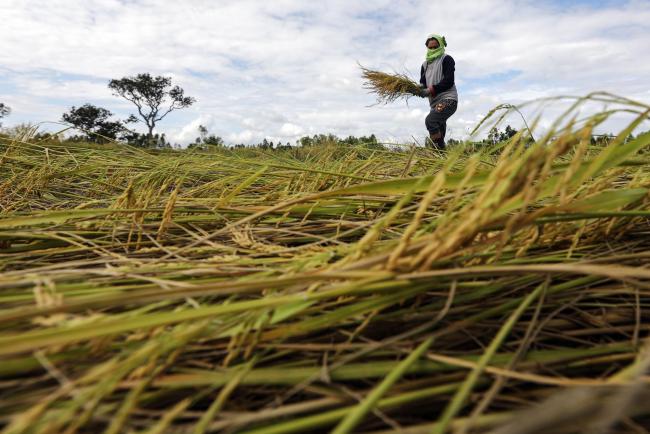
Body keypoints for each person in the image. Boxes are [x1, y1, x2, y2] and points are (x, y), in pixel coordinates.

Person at [419, 33, 458, 149]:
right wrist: (418, 90)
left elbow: (449, 81)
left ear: (440, 46)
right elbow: (423, 83)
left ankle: (441, 149)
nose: (432, 49)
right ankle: (442, 158)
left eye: (435, 47)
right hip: (434, 104)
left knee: (430, 121)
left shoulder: (446, 59)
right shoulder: (424, 65)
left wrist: (431, 90)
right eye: (430, 47)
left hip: (448, 100)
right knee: (438, 133)